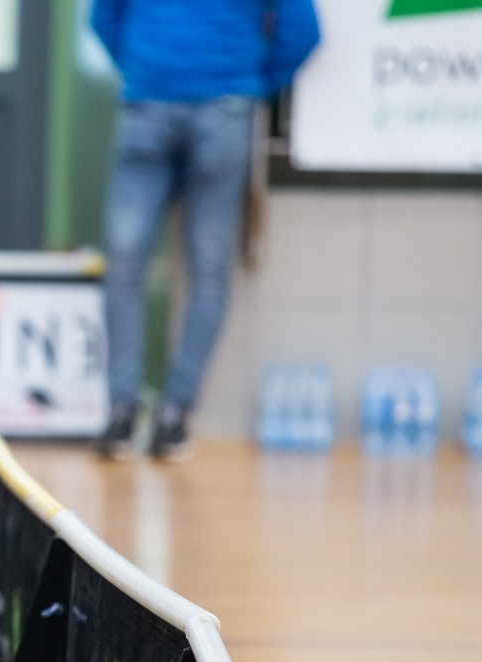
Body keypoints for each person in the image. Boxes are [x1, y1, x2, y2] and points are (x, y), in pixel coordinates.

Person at [91, 0, 319, 460]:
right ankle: (176, 417)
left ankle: (122, 414)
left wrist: (145, 69)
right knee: (209, 271)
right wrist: (249, 81)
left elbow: (103, 18)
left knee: (126, 266)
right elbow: (302, 30)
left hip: (148, 103)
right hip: (225, 110)